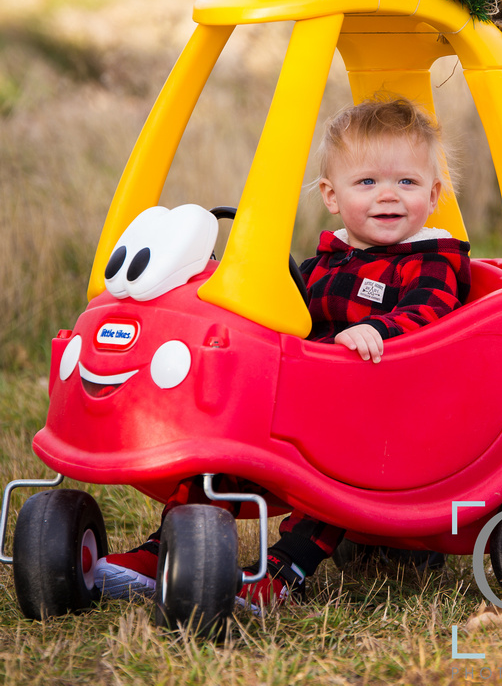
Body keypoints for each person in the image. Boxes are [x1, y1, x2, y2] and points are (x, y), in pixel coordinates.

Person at [94, 97, 471, 609]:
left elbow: (429, 317)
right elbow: (289, 312)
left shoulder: (430, 261)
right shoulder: (326, 261)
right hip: (309, 395)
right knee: (220, 448)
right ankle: (172, 545)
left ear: (434, 193)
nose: (388, 196)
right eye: (367, 183)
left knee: (335, 469)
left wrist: (377, 332)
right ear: (331, 196)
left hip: (384, 413)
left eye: (406, 183)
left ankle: (285, 568)